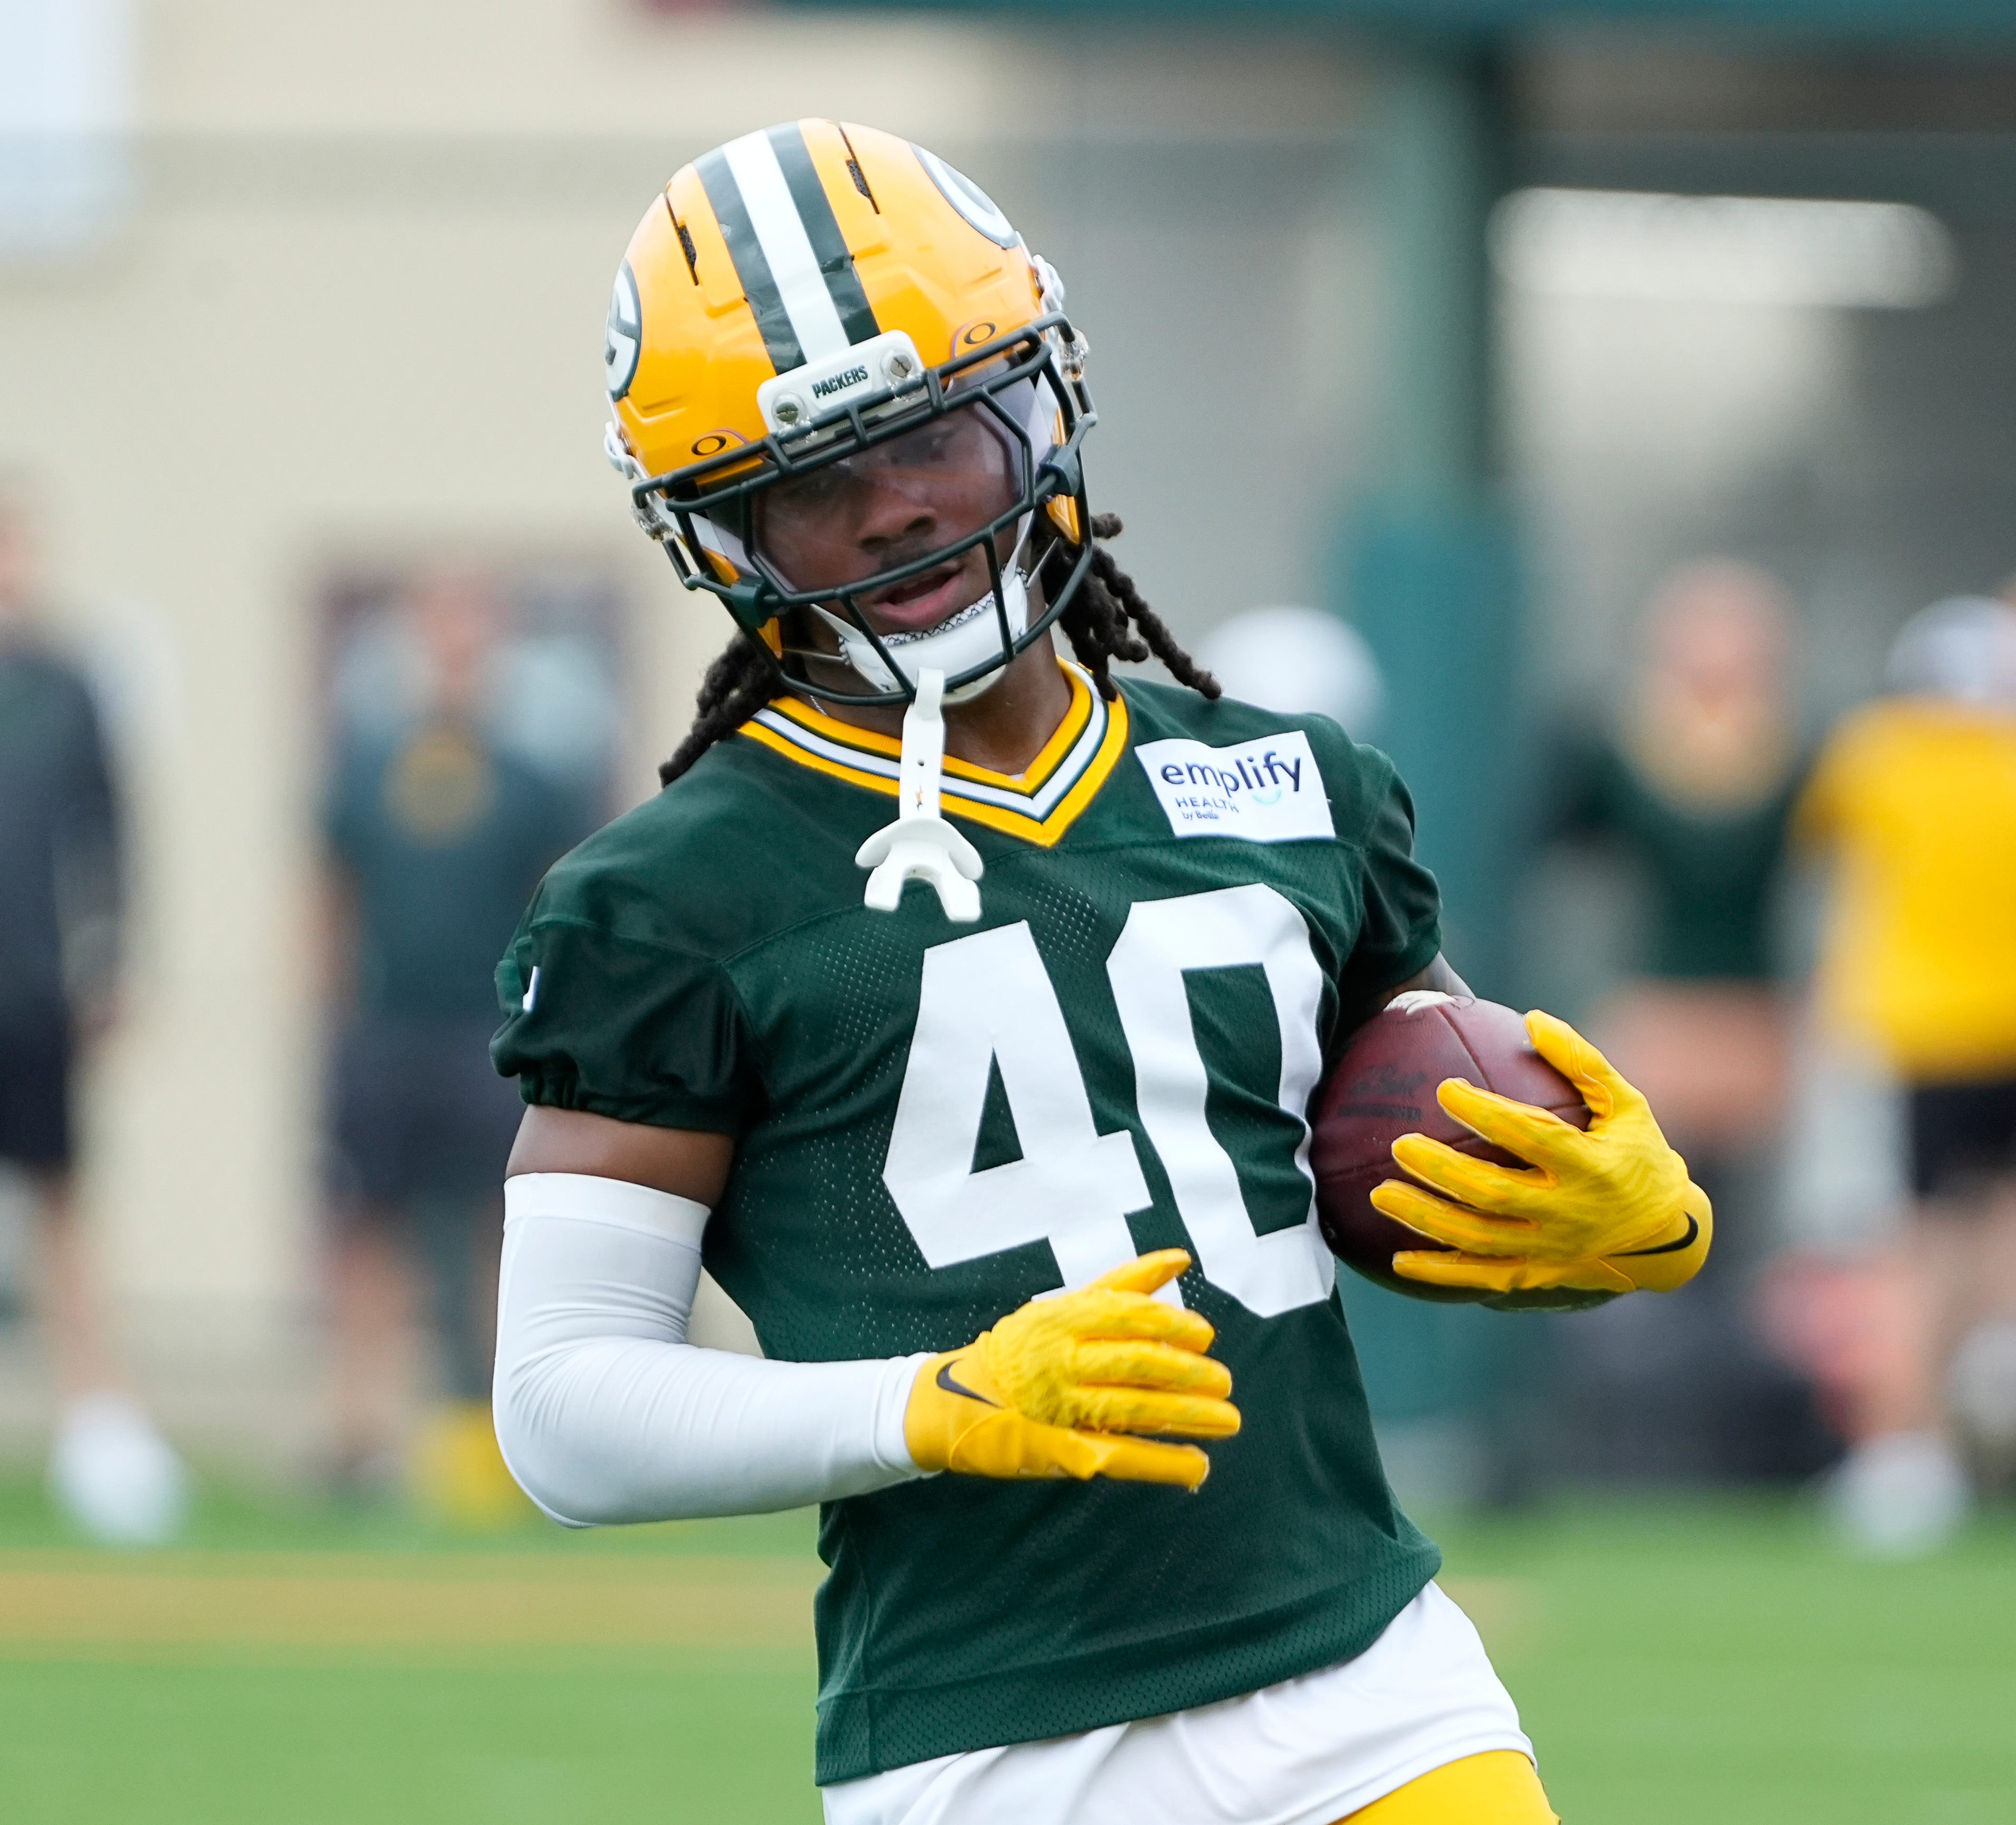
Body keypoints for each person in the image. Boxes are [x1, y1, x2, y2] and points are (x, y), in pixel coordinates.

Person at [488, 122, 1712, 1824]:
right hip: (990, 1738)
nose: (894, 505)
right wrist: (934, 1405)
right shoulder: (668, 899)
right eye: (813, 483)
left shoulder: (1298, 787)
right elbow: (557, 1409)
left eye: (928, 434)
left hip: (1366, 1678)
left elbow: (1429, 1172)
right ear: (720, 534)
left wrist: (1623, 1230)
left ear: (1039, 401)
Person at [320, 567, 592, 1522]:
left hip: (489, 1042)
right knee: (366, 1235)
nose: (453, 642)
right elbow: (329, 899)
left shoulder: (534, 780)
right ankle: (360, 1441)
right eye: (437, 623)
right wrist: (332, 1018)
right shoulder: (363, 767)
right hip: (384, 1035)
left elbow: (566, 908)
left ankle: (506, 1443)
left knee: (499, 1240)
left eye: (470, 623)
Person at [1790, 595, 2016, 1553]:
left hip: (1911, 1028)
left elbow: (1812, 834)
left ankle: (1910, 1452)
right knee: (1994, 1240)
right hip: (1992, 1026)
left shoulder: (1876, 751)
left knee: (1913, 1249)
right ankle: (1966, 1425)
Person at [0, 483, 187, 1544]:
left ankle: (99, 1430)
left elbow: (107, 832)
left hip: (29, 993)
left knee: (65, 1211)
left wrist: (109, 959)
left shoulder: (66, 685)